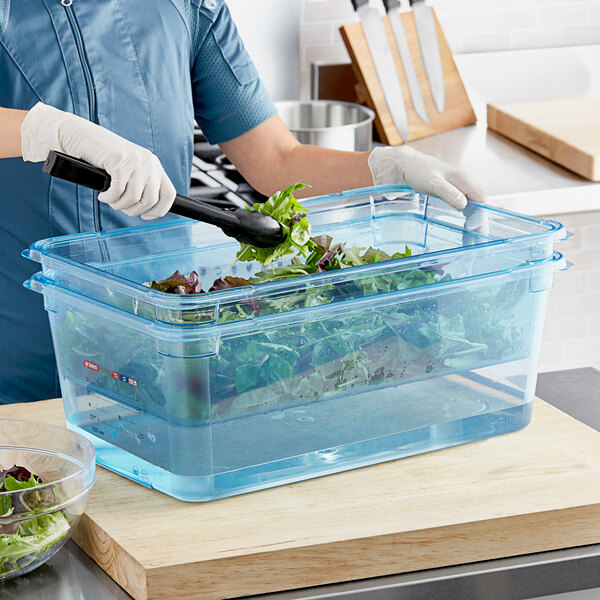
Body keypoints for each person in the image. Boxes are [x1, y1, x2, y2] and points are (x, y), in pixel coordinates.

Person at [0, 0, 484, 404]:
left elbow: (276, 160)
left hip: (164, 356)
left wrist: (386, 169)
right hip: (20, 377)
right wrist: (43, 130)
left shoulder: (186, 5)